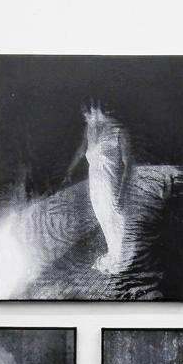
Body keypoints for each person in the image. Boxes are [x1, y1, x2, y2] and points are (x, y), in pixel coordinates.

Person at [65, 105, 131, 275]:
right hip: (96, 185)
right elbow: (82, 150)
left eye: (87, 110)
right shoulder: (91, 129)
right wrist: (69, 170)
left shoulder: (118, 130)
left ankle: (122, 261)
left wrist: (121, 192)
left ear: (97, 108)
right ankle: (115, 256)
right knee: (104, 219)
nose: (84, 115)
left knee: (116, 219)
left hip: (112, 183)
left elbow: (129, 164)